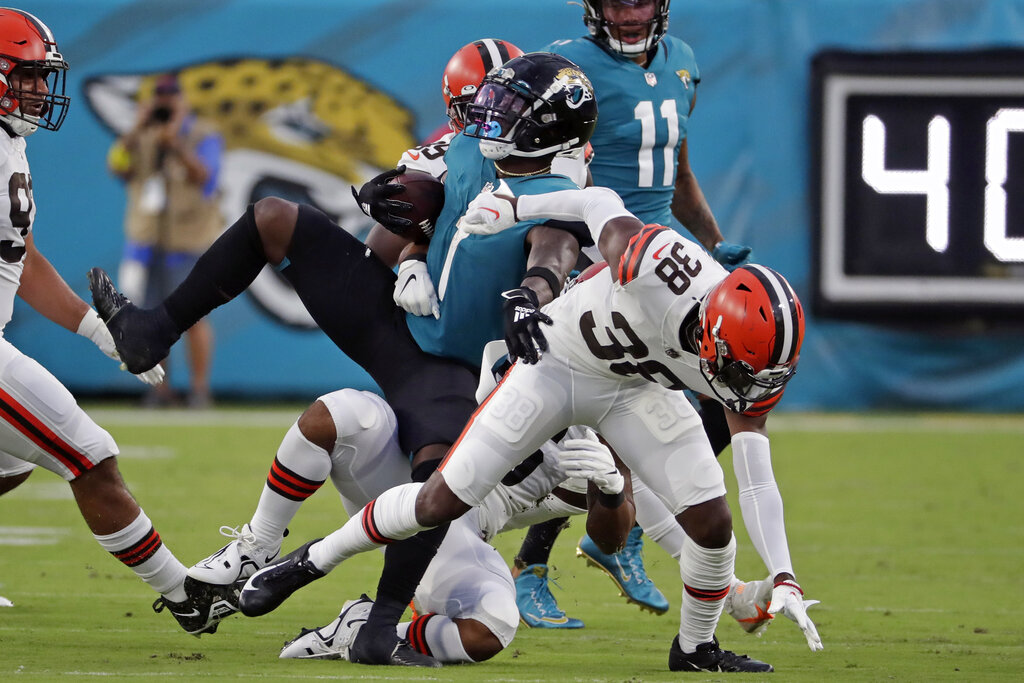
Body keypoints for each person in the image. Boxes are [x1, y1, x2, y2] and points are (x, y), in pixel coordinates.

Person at [89, 52, 600, 667]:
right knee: (275, 218)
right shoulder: (467, 148)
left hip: (452, 372)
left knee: (437, 483)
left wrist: (534, 292)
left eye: (507, 110)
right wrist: (413, 252)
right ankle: (154, 330)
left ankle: (380, 622)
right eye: (488, 104)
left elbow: (554, 247)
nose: (486, 117)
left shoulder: (568, 197)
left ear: (550, 128)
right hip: (401, 320)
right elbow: (432, 215)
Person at [233, 181, 824, 672]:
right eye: (740, 369)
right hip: (560, 362)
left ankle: (695, 649)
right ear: (714, 331)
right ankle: (309, 561)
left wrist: (784, 575)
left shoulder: (751, 361)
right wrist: (516, 209)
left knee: (712, 523)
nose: (748, 386)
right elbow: (596, 202)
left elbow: (755, 478)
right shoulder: (657, 262)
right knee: (438, 499)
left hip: (635, 389)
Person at [511, 0, 757, 625]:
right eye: (616, 1)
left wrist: (710, 240)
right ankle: (536, 562)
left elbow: (677, 168)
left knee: (736, 381)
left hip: (666, 254)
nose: (629, 13)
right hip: (597, 250)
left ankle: (626, 527)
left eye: (640, 0)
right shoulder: (570, 65)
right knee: (593, 420)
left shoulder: (684, 64)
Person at [0, 7, 237, 637]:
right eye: (25, 76)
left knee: (11, 465)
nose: (37, 90)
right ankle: (183, 593)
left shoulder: (10, 142)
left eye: (38, 76)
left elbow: (20, 261)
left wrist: (101, 332)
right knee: (92, 458)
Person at [193, 342, 634, 664]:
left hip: (457, 528)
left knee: (493, 625)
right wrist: (411, 260)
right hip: (412, 468)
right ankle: (259, 545)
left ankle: (361, 628)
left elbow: (612, 538)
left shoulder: (625, 429)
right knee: (343, 413)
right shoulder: (538, 332)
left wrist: (611, 486)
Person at [107, 73, 224, 408]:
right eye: (159, 99)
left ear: (182, 102)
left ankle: (200, 390)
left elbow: (206, 177)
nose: (164, 105)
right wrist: (136, 130)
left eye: (170, 99)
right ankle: (159, 389)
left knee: (196, 318)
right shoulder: (141, 136)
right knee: (147, 317)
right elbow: (116, 167)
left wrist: (176, 143)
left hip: (188, 241)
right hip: (146, 241)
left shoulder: (203, 133)